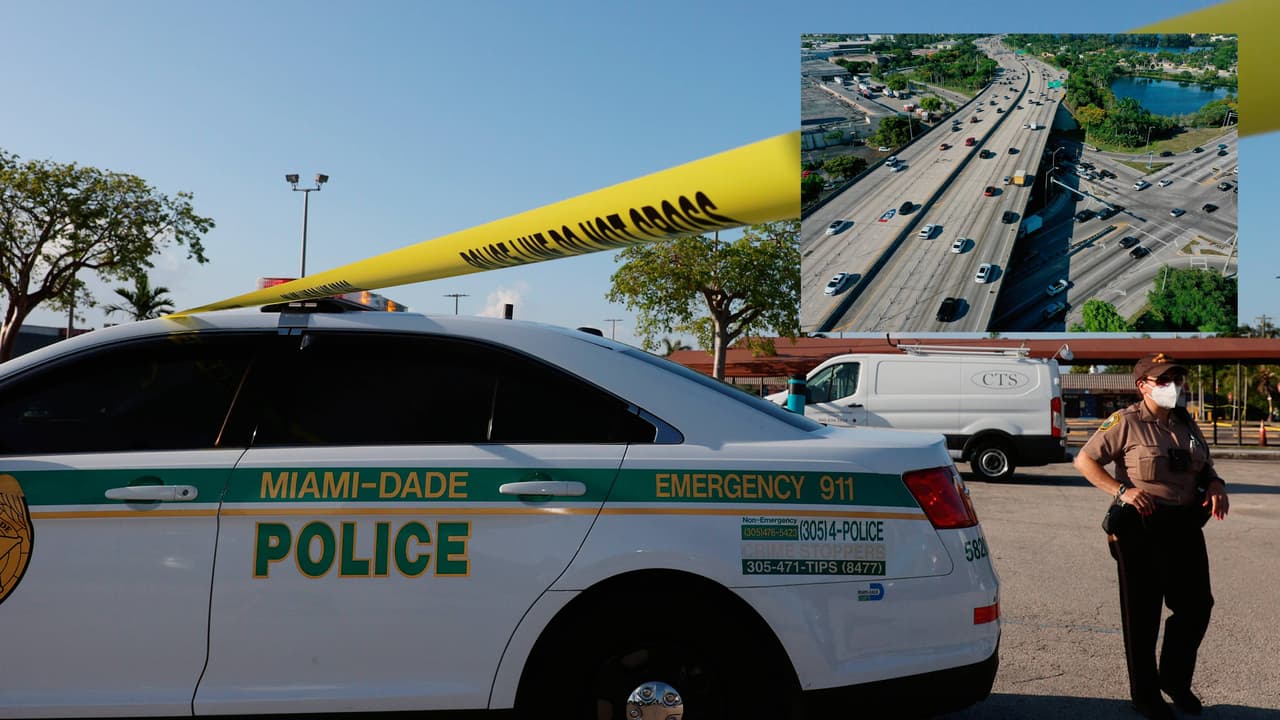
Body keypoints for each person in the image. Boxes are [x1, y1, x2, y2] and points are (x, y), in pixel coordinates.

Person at [1074, 353, 1229, 720]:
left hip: (1186, 525)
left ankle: (1174, 680)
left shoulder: (1185, 422)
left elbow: (1203, 466)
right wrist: (1120, 490)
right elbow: (1084, 460)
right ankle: (1145, 696)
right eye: (1163, 381)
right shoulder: (1125, 422)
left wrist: (1216, 483)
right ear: (1142, 386)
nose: (1173, 386)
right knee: (1143, 615)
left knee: (1196, 606)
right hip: (1141, 526)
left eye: (1177, 379)